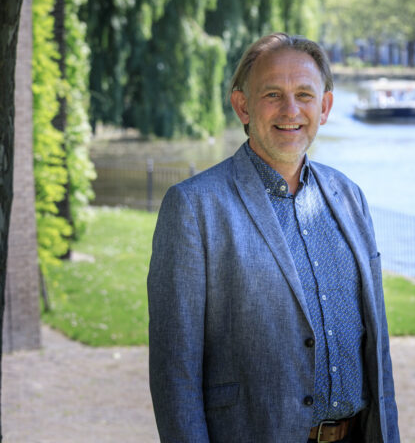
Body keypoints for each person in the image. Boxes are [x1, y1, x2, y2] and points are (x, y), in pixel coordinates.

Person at [147, 33, 400, 443]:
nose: (290, 110)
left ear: (325, 107)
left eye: (304, 95)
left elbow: (378, 350)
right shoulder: (194, 207)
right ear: (242, 106)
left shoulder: (350, 196)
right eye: (272, 95)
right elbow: (175, 372)